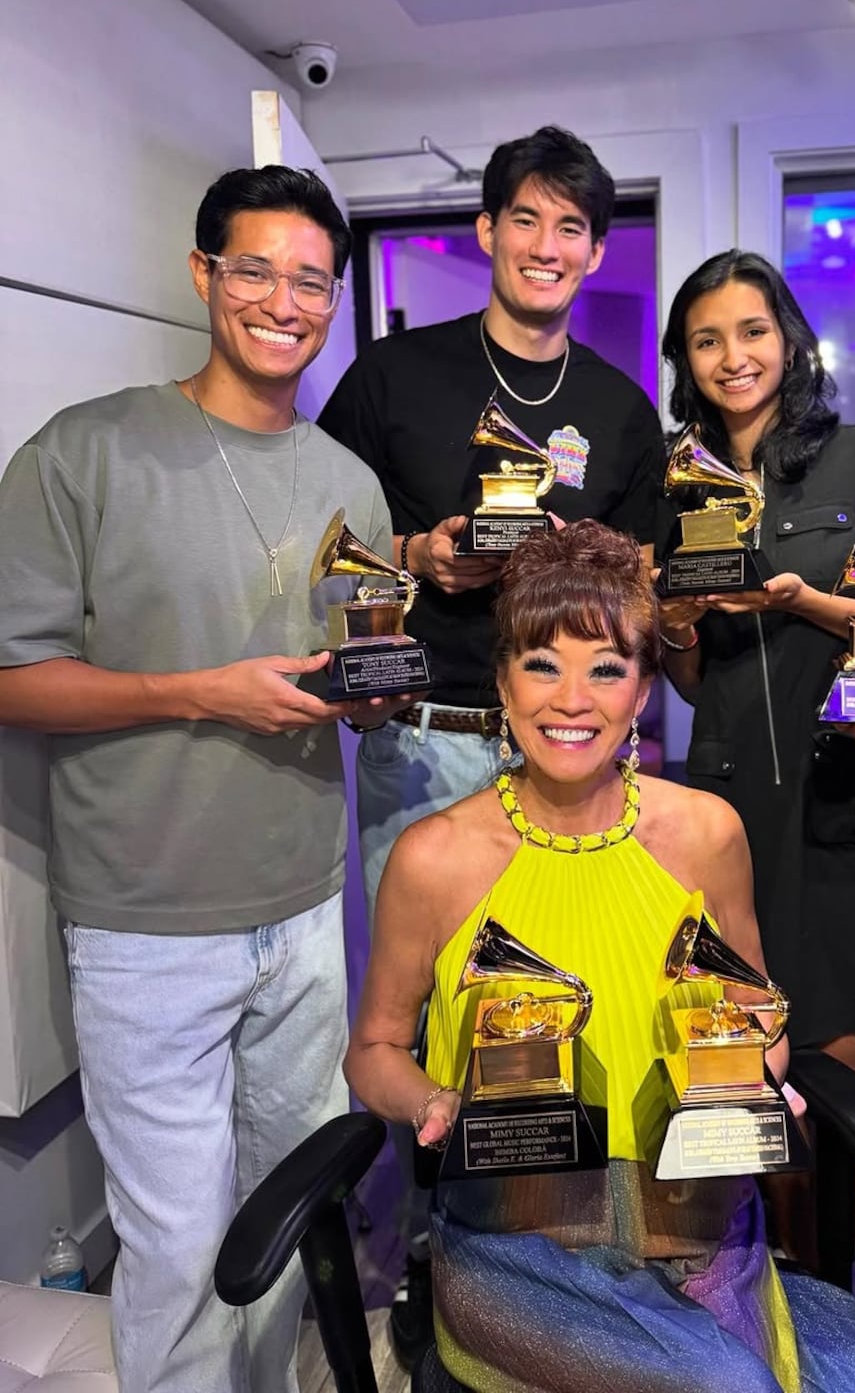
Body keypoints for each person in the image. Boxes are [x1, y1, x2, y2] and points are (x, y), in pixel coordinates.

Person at [346, 521, 855, 1393]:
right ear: (501, 680)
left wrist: (756, 1073)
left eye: (606, 667)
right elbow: (373, 1052)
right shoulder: (436, 858)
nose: (573, 699)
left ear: (644, 690)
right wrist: (433, 1099)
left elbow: (755, 1017)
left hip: (700, 1220)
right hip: (516, 1241)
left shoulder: (706, 836)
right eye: (542, 664)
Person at [0, 167, 398, 1393]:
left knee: (285, 1216)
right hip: (143, 920)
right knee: (173, 1247)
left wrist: (370, 693)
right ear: (204, 275)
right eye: (257, 270)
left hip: (302, 906)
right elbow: (12, 679)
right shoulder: (88, 450)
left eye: (312, 281)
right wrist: (200, 689)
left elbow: (354, 656)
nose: (285, 301)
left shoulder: (350, 479)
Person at [318, 124, 664, 1357]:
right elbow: (332, 546)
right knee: (414, 1020)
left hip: (570, 751)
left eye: (573, 227)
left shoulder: (623, 413)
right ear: (487, 230)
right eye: (527, 218)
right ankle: (428, 1258)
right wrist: (419, 555)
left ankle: (560, 1243)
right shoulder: (392, 378)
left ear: (594, 250)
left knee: (559, 1007)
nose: (548, 245)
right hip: (426, 740)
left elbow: (642, 587)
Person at [656, 252, 855, 1216]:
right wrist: (679, 627)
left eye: (752, 331)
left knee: (840, 1046)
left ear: (789, 338)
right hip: (728, 798)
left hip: (849, 784)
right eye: (706, 341)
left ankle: (833, 1275)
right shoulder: (679, 479)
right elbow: (689, 679)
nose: (732, 357)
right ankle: (764, 1265)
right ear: (683, 360)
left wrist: (804, 598)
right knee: (743, 1039)